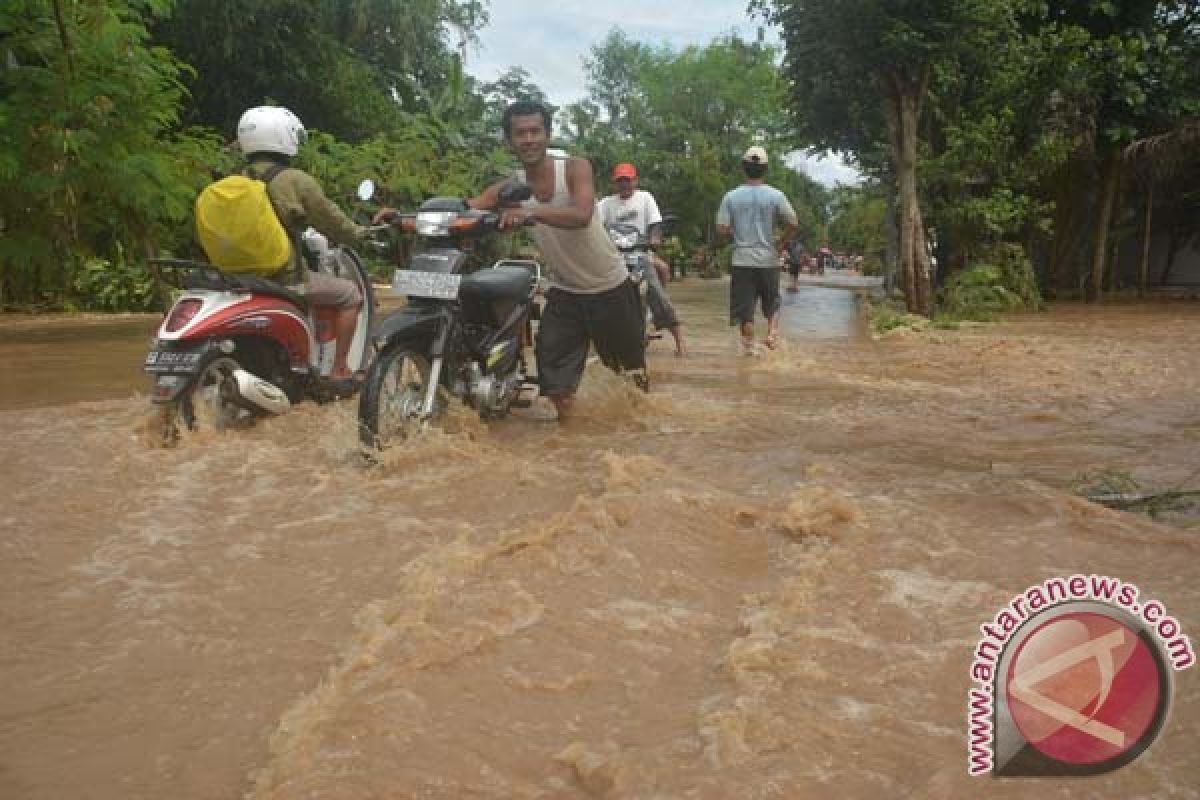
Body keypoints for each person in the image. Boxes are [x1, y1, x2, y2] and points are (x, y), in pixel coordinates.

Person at [468, 101, 647, 421]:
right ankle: (576, 442)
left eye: (535, 131)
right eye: (520, 133)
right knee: (555, 386)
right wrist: (408, 217)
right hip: (565, 293)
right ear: (509, 141)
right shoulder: (511, 187)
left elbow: (581, 214)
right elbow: (468, 208)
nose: (528, 139)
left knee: (632, 380)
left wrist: (528, 213)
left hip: (611, 287)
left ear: (548, 134)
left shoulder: (575, 168)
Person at [236, 105, 365, 389]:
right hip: (283, 277)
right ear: (285, 137)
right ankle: (340, 369)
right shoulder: (295, 180)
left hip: (235, 278)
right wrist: (359, 234)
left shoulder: (233, 182)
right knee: (350, 295)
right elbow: (331, 220)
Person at [597, 162, 688, 356]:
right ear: (614, 183)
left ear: (635, 181)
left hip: (640, 255)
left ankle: (680, 341)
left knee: (657, 294)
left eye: (627, 180)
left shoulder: (645, 198)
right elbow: (592, 222)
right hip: (614, 258)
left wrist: (655, 239)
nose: (624, 184)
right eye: (620, 181)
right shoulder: (606, 203)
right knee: (597, 294)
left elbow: (655, 223)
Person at [716, 146, 799, 355]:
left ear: (744, 168)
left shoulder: (731, 197)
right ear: (766, 169)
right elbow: (793, 222)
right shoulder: (776, 195)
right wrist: (781, 243)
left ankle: (749, 351)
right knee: (772, 303)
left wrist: (734, 232)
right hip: (769, 259)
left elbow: (722, 229)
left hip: (742, 260)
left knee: (746, 313)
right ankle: (771, 334)